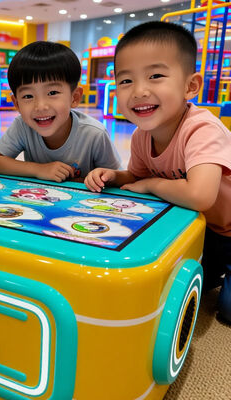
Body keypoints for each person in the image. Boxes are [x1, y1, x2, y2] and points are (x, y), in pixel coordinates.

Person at [84, 21, 231, 323]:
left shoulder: (202, 129)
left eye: (155, 76)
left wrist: (152, 184)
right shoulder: (142, 135)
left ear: (191, 86)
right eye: (126, 81)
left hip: (227, 230)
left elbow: (200, 195)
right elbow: (136, 177)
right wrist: (112, 175)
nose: (139, 91)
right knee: (167, 292)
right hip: (199, 229)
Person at [0, 41, 121, 182]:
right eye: (28, 96)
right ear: (17, 104)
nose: (40, 106)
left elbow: (119, 178)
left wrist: (99, 178)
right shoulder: (22, 126)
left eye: (52, 93)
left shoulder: (94, 134)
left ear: (74, 97)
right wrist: (39, 169)